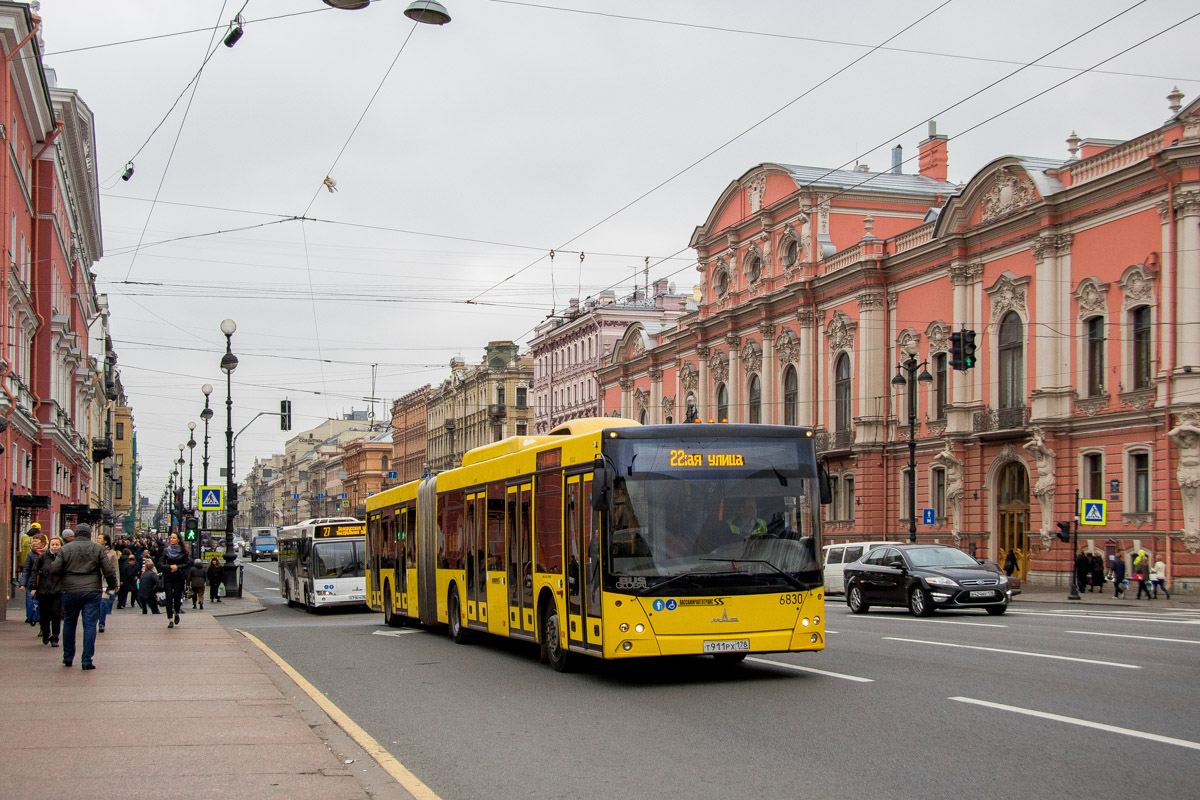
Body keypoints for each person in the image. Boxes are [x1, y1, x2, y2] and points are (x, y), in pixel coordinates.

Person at [49, 522, 119, 670]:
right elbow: (108, 570)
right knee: (89, 625)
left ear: (76, 534)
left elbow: (55, 569)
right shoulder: (98, 549)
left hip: (69, 590)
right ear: (89, 534)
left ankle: (68, 657)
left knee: (69, 622)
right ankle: (86, 660)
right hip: (92, 590)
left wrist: (64, 578)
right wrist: (112, 586)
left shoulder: (65, 549)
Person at [31, 537, 65, 646]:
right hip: (43, 590)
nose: (55, 547)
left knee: (56, 614)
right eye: (53, 545)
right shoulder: (42, 558)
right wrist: (33, 587)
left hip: (58, 591)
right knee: (44, 615)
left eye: (57, 545)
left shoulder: (64, 558)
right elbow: (34, 571)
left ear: (61, 546)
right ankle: (46, 633)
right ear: (49, 546)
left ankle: (55, 638)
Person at [158, 532, 190, 628]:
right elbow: (161, 564)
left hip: (179, 576)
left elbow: (187, 564)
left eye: (174, 538)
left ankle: (176, 613)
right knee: (168, 597)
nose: (172, 540)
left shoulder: (183, 552)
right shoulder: (166, 551)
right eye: (171, 538)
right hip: (168, 576)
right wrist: (170, 567)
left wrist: (178, 567)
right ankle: (170, 620)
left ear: (178, 540)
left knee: (177, 598)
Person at [18, 532, 48, 627]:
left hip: (44, 582)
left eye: (36, 541)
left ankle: (42, 621)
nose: (34, 543)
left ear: (43, 543)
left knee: (42, 603)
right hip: (32, 582)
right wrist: (22, 583)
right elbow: (26, 569)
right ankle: (31, 618)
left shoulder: (48, 553)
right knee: (31, 601)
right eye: (33, 541)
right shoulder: (31, 554)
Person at [95, 532, 119, 632]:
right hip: (95, 580)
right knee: (96, 603)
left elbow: (116, 569)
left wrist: (116, 583)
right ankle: (96, 620)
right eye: (97, 538)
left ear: (105, 541)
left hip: (106, 581)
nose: (98, 540)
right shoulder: (94, 551)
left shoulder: (112, 553)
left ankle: (101, 623)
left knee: (103, 602)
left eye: (100, 538)